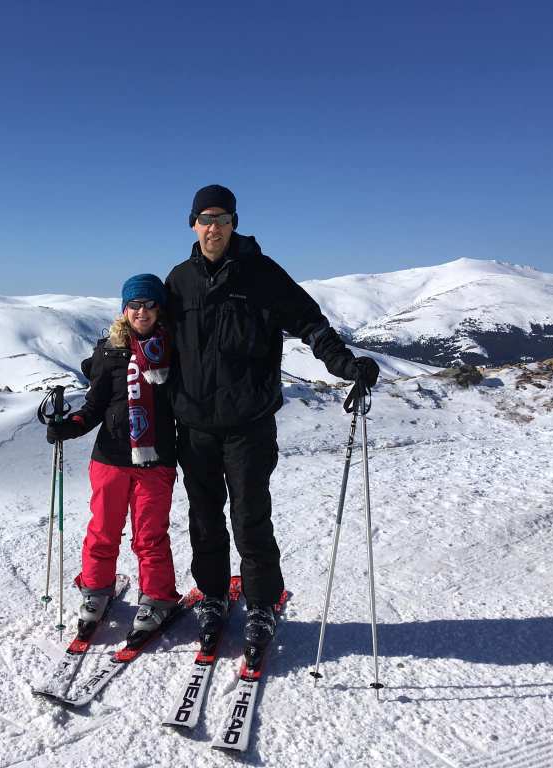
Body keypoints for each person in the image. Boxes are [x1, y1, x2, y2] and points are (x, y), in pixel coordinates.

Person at [165, 184, 380, 652]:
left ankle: (261, 603)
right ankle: (215, 596)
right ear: (193, 225)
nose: (214, 227)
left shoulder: (262, 275)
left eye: (222, 219)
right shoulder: (179, 280)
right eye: (206, 219)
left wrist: (347, 365)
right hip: (195, 424)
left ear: (234, 223)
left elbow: (311, 324)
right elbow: (152, 336)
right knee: (203, 519)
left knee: (249, 516)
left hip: (248, 423)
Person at [46, 274, 182, 640]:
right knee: (103, 531)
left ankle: (157, 597)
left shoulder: (174, 348)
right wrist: (71, 424)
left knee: (150, 536)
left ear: (159, 308)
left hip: (157, 460)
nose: (142, 311)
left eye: (149, 304)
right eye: (134, 304)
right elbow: (94, 405)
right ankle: (95, 590)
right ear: (125, 310)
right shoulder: (108, 351)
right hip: (110, 458)